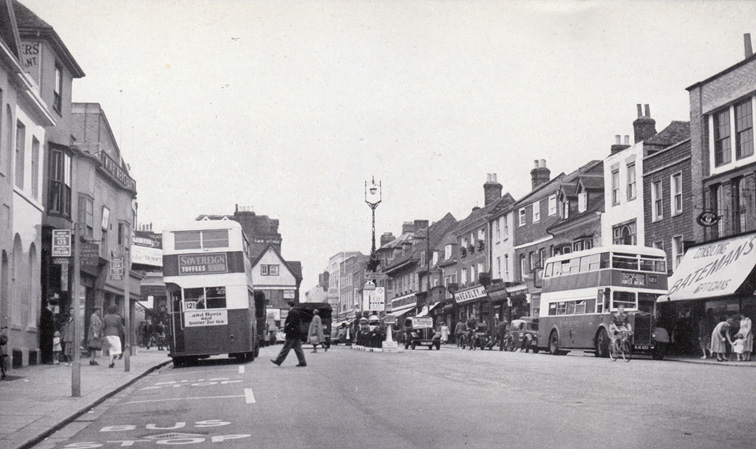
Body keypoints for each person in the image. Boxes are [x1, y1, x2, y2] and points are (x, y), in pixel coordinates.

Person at [271, 301, 307, 367]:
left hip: (292, 333)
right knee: (298, 348)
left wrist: (287, 327)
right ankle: (302, 362)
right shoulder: (295, 311)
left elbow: (291, 322)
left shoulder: (292, 312)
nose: (286, 306)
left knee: (286, 347)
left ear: (289, 305)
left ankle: (278, 360)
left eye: (286, 304)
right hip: (296, 333)